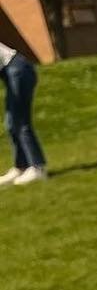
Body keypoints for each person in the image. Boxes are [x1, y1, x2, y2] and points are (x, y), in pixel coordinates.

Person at [0, 42, 48, 185]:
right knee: (11, 123)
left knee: (20, 122)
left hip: (18, 70)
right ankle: (21, 167)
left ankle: (38, 167)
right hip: (11, 72)